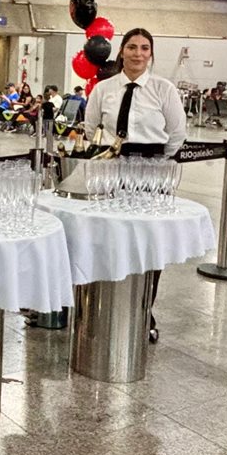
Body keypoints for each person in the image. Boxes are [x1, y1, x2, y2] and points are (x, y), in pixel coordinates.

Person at [84, 28, 186, 342]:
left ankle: (144, 311)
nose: (138, 53)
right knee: (111, 239)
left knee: (148, 244)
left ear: (151, 54)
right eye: (132, 47)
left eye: (144, 48)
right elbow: (91, 130)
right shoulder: (104, 89)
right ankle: (107, 307)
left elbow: (177, 134)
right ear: (121, 51)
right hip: (111, 165)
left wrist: (152, 162)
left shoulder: (163, 88)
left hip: (152, 168)